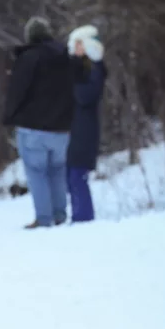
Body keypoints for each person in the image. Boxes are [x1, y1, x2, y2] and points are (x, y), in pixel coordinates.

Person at [3, 16, 74, 228]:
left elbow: (17, 91)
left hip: (33, 127)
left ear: (29, 36)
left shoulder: (28, 58)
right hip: (62, 128)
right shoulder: (66, 56)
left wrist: (9, 117)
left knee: (37, 173)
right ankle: (60, 214)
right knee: (57, 171)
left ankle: (44, 218)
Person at [67, 25, 107, 223]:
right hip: (75, 126)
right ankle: (78, 215)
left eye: (79, 44)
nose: (75, 49)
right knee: (71, 175)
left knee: (77, 174)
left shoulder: (95, 68)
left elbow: (85, 96)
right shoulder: (82, 67)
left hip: (85, 128)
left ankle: (83, 218)